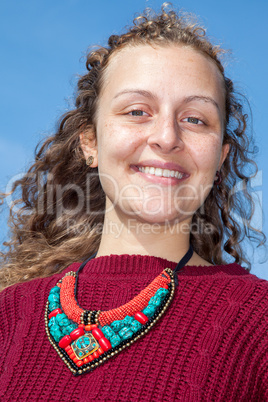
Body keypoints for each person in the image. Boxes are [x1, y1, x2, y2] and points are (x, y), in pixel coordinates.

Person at [0, 5, 267, 401]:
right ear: (89, 142)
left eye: (195, 119)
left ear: (221, 158)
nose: (166, 137)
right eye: (137, 111)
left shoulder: (258, 324)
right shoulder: (8, 316)